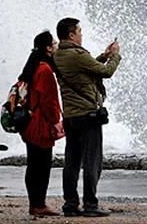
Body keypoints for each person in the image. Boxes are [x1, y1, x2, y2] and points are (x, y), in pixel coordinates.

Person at [54, 17, 121, 218]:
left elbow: (86, 69)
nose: (81, 34)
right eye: (79, 31)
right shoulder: (77, 54)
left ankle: (71, 204)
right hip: (87, 116)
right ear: (71, 35)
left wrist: (103, 55)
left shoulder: (58, 55)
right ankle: (91, 204)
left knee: (72, 162)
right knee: (92, 161)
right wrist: (115, 56)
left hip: (71, 116)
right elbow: (105, 72)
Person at [18, 30, 65, 217]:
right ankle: (39, 204)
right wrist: (56, 121)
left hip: (28, 123)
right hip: (40, 125)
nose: (56, 46)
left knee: (33, 164)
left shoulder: (31, 67)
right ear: (47, 48)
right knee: (42, 165)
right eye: (53, 43)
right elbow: (49, 101)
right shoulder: (45, 70)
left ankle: (34, 203)